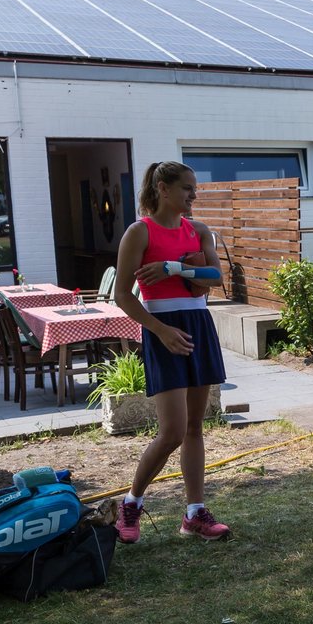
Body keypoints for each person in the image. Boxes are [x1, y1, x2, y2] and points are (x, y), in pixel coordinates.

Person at [112, 161, 229, 544]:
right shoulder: (138, 232)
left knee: (196, 427)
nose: (194, 196)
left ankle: (195, 513)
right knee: (172, 431)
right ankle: (130, 503)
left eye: (194, 189)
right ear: (163, 189)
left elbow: (216, 276)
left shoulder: (198, 230)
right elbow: (123, 295)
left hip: (198, 326)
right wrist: (159, 331)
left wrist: (173, 267)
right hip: (165, 331)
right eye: (187, 189)